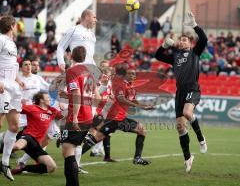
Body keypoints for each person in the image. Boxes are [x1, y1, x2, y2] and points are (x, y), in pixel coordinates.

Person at [155, 12, 208, 173]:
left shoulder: (195, 53)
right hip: (180, 92)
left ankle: (201, 138)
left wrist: (194, 25)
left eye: (184, 39)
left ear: (190, 43)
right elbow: (157, 55)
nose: (181, 41)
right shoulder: (175, 56)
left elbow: (204, 39)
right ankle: (188, 157)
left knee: (187, 112)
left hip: (192, 88)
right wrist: (164, 45)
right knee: (180, 126)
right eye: (181, 39)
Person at [81, 69, 154, 165]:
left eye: (133, 74)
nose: (131, 75)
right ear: (125, 75)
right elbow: (120, 99)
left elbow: (134, 101)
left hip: (119, 118)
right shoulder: (121, 85)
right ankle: (75, 156)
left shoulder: (132, 88)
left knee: (97, 138)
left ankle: (74, 156)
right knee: (97, 138)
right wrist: (137, 106)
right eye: (129, 73)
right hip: (115, 118)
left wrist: (144, 106)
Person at [61, 46, 97, 186]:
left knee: (68, 151)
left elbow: (77, 95)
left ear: (70, 56)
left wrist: (75, 117)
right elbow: (94, 95)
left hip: (79, 116)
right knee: (70, 150)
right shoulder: (89, 72)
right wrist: (67, 95)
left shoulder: (72, 71)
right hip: (88, 116)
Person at [11, 91, 63, 175]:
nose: (50, 100)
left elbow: (64, 116)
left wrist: (65, 107)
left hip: (36, 144)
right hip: (28, 136)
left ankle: (22, 168)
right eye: (48, 98)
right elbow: (15, 108)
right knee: (17, 146)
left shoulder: (53, 111)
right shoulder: (32, 108)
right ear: (42, 100)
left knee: (51, 167)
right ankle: (5, 161)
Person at [0, 15, 22, 181]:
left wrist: (18, 79)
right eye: (16, 25)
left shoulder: (12, 44)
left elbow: (11, 66)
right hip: (2, 86)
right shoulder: (0, 39)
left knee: (14, 126)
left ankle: (4, 163)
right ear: (12, 26)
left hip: (13, 87)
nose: (17, 28)